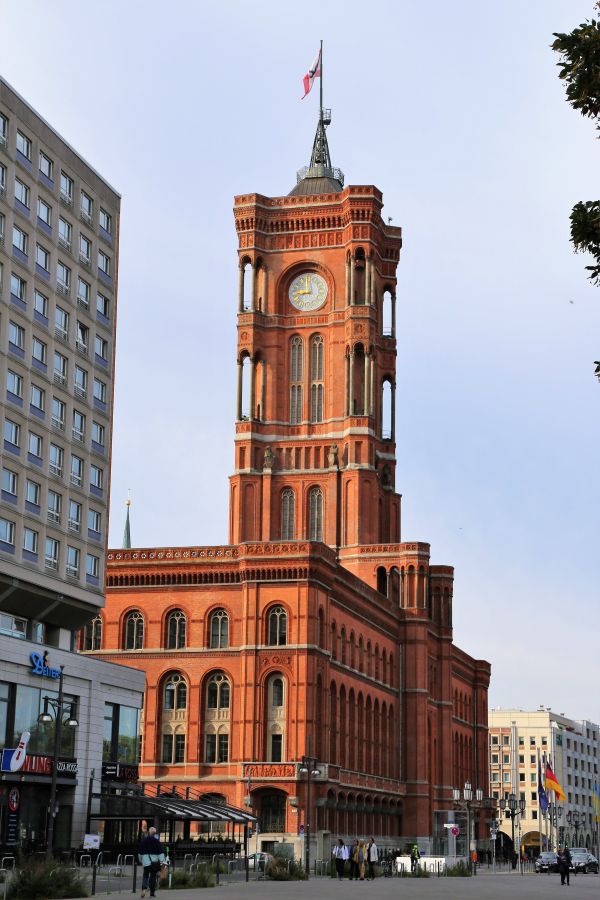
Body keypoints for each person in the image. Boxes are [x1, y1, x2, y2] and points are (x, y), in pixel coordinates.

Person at [139, 826, 166, 898]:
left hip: (146, 863)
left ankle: (144, 889)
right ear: (155, 834)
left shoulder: (143, 841)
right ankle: (152, 893)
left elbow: (140, 853)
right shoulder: (157, 842)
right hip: (154, 863)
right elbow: (161, 854)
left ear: (148, 833)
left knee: (145, 876)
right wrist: (162, 863)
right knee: (153, 876)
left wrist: (140, 860)